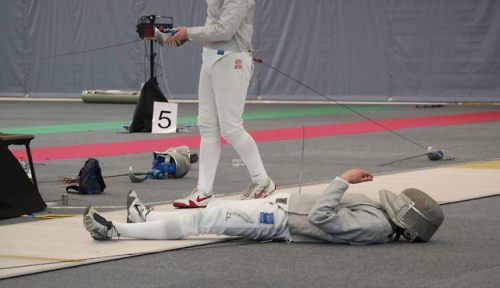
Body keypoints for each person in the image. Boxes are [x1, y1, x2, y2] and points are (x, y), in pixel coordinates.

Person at [83, 168, 445, 245]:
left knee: (206, 220)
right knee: (212, 210)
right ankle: (147, 217)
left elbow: (323, 218)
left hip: (279, 220)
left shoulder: (376, 227)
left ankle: (117, 232)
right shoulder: (380, 217)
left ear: (408, 217)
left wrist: (340, 181)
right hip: (281, 209)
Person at [161, 0, 275, 208]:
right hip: (211, 57)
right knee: (207, 126)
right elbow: (212, 24)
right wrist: (184, 34)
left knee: (231, 127)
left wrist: (189, 33)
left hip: (232, 59)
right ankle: (204, 192)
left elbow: (225, 30)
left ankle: (262, 181)